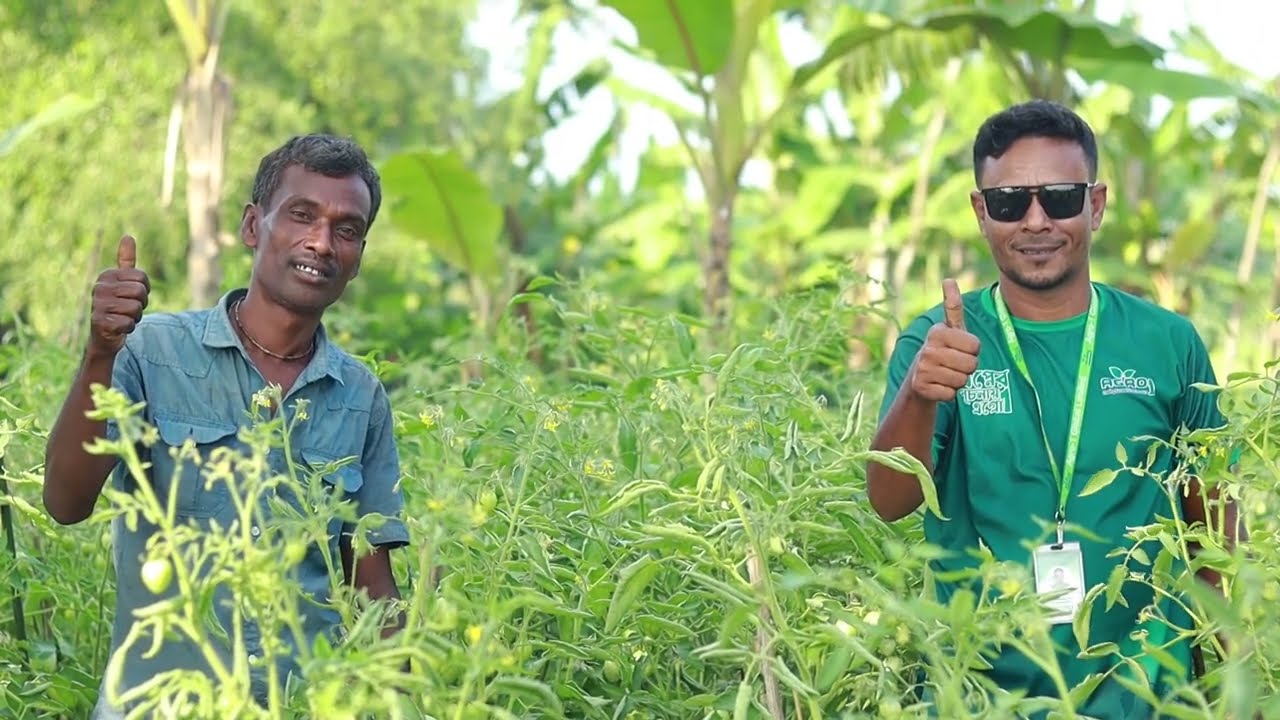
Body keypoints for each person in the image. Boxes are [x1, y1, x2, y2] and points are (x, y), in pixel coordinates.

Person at [866, 99, 1243, 719]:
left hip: (1148, 696)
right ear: (981, 211)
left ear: (1095, 205)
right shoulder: (937, 343)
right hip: (985, 699)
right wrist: (919, 391)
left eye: (1061, 197)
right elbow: (889, 501)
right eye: (1012, 202)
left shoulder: (1167, 342)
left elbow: (1215, 532)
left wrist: (1235, 688)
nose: (1036, 221)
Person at [41, 134, 410, 718]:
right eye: (302, 214)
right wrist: (98, 353)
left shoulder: (360, 397)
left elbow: (372, 585)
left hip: (295, 706)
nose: (322, 241)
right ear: (251, 226)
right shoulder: (151, 352)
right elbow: (65, 502)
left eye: (347, 228)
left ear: (359, 255)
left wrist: (410, 697)